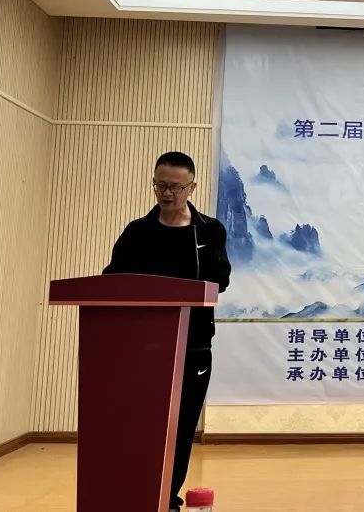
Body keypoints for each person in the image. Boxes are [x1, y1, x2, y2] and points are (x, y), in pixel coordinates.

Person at [103, 151, 231, 512]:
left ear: (192, 187)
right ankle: (137, 494)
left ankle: (167, 498)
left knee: (182, 425)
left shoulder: (209, 231)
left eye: (175, 187)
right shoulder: (137, 231)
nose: (167, 193)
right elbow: (112, 279)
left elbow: (220, 280)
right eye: (160, 185)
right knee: (141, 424)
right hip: (141, 346)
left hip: (193, 345)